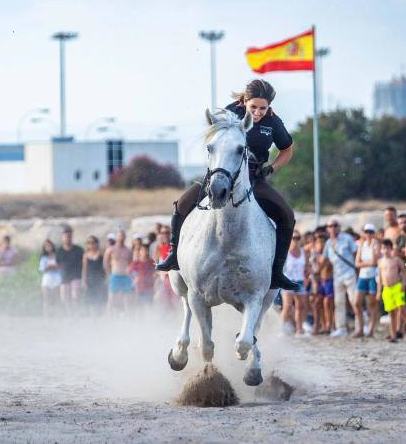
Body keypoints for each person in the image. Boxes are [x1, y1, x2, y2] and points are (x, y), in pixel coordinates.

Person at [155, 79, 300, 293]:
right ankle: (174, 257)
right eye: (254, 107)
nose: (258, 112)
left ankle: (276, 273)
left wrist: (271, 168)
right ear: (244, 101)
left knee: (287, 215)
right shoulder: (230, 113)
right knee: (181, 205)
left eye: (263, 108)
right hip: (222, 175)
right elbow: (213, 142)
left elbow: (287, 150)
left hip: (253, 177)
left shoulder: (273, 122)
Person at [324, 219, 359, 338]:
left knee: (354, 300)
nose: (333, 228)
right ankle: (341, 328)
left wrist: (357, 269)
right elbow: (326, 260)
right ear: (327, 229)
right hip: (337, 275)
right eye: (330, 226)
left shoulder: (347, 238)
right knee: (338, 303)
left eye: (335, 225)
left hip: (349, 273)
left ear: (339, 227)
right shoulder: (328, 243)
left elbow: (356, 253)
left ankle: (360, 325)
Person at [377, 239, 406, 342]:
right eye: (383, 248)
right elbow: (380, 277)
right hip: (386, 288)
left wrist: (404, 283)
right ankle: (393, 335)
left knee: (402, 309)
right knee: (391, 313)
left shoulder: (396, 260)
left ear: (391, 249)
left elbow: (404, 271)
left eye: (388, 248)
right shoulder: (380, 262)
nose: (385, 250)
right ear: (381, 250)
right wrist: (379, 291)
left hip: (396, 287)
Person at [354, 224, 381, 338]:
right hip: (363, 276)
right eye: (366, 232)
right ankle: (360, 328)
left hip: (372, 276)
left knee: (372, 304)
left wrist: (363, 263)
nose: (368, 234)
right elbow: (357, 263)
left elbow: (374, 262)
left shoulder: (376, 245)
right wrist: (367, 263)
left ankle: (370, 330)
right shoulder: (362, 245)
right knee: (357, 303)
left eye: (371, 232)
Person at [282, 230, 309, 336]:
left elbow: (307, 266)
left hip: (300, 281)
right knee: (287, 306)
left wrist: (308, 276)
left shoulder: (303, 252)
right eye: (293, 238)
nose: (295, 240)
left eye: (297, 238)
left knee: (300, 306)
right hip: (288, 281)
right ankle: (281, 328)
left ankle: (299, 329)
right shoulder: (285, 252)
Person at [104, 229, 134, 313]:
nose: (121, 237)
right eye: (120, 235)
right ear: (116, 237)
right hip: (115, 276)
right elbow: (106, 263)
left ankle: (128, 318)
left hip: (125, 276)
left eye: (123, 235)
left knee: (127, 299)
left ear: (125, 237)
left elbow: (131, 263)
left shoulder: (128, 250)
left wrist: (131, 276)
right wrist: (108, 275)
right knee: (111, 299)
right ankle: (109, 318)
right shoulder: (110, 250)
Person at [56, 226, 84, 314]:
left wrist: (83, 278)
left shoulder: (79, 250)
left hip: (76, 276)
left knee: (75, 297)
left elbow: (84, 263)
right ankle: (70, 314)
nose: (68, 238)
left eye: (70, 236)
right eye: (66, 236)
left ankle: (76, 314)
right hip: (64, 277)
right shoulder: (59, 251)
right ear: (62, 238)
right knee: (64, 299)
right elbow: (57, 264)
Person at [81, 236, 107, 313]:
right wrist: (83, 281)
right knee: (91, 300)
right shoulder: (85, 255)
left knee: (101, 299)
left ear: (97, 243)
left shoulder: (101, 253)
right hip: (90, 280)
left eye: (93, 242)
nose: (91, 245)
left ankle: (101, 317)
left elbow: (105, 267)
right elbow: (84, 269)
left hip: (100, 279)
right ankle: (93, 317)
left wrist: (106, 278)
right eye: (89, 243)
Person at [39, 239, 61, 317]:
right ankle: (47, 317)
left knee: (57, 298)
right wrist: (51, 267)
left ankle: (58, 316)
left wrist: (50, 267)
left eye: (49, 245)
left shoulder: (57, 256)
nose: (48, 247)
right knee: (46, 299)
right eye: (46, 246)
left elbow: (60, 267)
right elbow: (42, 269)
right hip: (47, 278)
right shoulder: (43, 257)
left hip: (56, 278)